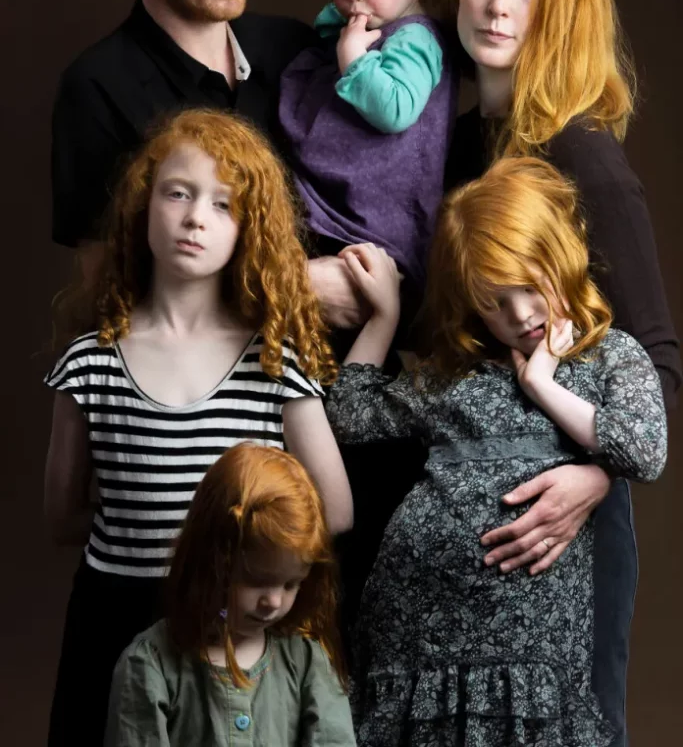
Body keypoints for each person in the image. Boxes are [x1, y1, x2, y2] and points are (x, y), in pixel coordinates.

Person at [443, 0, 681, 743]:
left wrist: (594, 479)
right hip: (479, 521)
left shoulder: (583, 155)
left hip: (568, 522)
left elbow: (656, 359)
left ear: (565, 4)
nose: (498, 5)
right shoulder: (455, 143)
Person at [325, 158, 667, 747]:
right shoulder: (454, 374)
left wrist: (543, 387)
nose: (520, 315)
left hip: (528, 656)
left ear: (559, 253)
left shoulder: (610, 357)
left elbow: (644, 450)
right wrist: (384, 318)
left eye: (529, 288)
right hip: (415, 644)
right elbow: (349, 416)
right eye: (494, 302)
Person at [43, 108, 353, 746]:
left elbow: (335, 511)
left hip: (233, 630)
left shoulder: (274, 363)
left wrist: (242, 552)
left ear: (249, 230)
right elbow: (63, 518)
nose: (194, 218)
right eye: (178, 194)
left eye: (223, 205)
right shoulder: (89, 364)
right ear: (143, 204)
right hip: (117, 619)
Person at [51, 0, 363, 327]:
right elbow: (108, 295)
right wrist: (294, 287)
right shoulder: (96, 87)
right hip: (207, 400)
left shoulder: (295, 47)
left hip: (348, 380)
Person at [279, 0, 456, 294]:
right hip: (330, 207)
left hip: (375, 223)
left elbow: (395, 110)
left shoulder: (416, 40)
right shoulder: (363, 24)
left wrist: (354, 60)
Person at [104, 442, 356, 746]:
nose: (273, 602)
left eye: (291, 584)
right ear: (211, 559)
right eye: (255, 580)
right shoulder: (149, 665)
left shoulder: (307, 664)